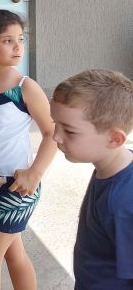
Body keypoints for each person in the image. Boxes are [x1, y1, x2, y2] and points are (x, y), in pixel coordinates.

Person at [0, 10, 57, 290]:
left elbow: (53, 133)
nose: (18, 46)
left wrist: (34, 173)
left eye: (20, 39)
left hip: (15, 185)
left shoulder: (25, 87)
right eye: (8, 40)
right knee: (13, 253)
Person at [51, 69, 133, 289]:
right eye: (55, 124)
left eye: (69, 131)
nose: (56, 136)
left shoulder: (123, 203)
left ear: (114, 139)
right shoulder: (110, 168)